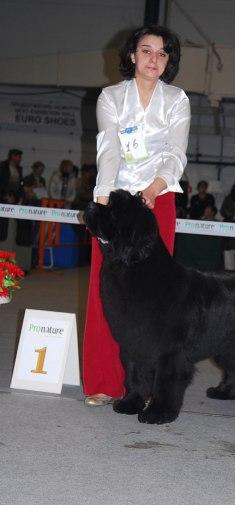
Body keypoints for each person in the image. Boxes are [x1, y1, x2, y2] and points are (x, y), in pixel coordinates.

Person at [83, 25, 191, 406]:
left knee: (155, 298)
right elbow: (108, 149)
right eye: (147, 51)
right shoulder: (110, 97)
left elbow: (176, 152)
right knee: (107, 293)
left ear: (168, 61)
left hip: (158, 201)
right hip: (116, 201)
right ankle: (102, 381)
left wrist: (155, 187)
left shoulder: (177, 99)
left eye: (162, 54)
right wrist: (104, 201)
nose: (153, 59)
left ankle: (145, 386)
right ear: (132, 55)